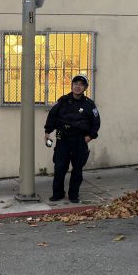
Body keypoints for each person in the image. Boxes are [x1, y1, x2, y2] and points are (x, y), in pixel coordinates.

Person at [43, 74, 100, 203]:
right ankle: (58, 193)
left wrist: (90, 136)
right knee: (59, 167)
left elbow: (96, 122)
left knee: (77, 169)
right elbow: (52, 115)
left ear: (85, 87)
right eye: (75, 84)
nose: (77, 87)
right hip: (63, 139)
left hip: (79, 140)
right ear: (72, 85)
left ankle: (73, 194)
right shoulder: (63, 100)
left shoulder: (89, 104)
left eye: (81, 84)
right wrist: (47, 131)